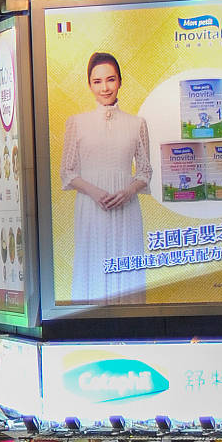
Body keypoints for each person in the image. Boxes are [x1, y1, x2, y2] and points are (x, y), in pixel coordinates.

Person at [59, 50, 152, 304]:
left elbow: (145, 171)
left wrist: (128, 191)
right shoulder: (76, 122)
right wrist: (95, 192)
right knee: (93, 259)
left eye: (110, 79)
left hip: (126, 208)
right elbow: (67, 171)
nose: (105, 87)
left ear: (120, 81)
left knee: (127, 261)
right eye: (97, 81)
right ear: (89, 85)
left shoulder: (137, 124)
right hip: (91, 206)